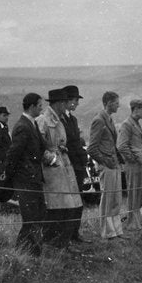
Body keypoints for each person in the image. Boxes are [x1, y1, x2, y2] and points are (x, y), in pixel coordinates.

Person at [36, 88, 83, 248]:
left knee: (69, 205)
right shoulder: (43, 120)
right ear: (58, 103)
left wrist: (62, 150)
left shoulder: (60, 119)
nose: (66, 105)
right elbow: (37, 146)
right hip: (52, 171)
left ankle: (63, 242)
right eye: (64, 102)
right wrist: (52, 158)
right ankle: (53, 243)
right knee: (56, 206)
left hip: (64, 165)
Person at [3, 93, 47, 254]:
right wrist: (11, 178)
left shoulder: (31, 124)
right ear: (32, 106)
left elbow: (41, 147)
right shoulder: (23, 126)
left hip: (33, 178)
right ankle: (27, 250)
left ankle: (28, 249)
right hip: (26, 179)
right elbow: (13, 155)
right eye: (40, 105)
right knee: (31, 216)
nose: (42, 108)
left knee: (38, 213)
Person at [89, 91, 124, 240]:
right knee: (108, 198)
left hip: (114, 163)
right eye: (116, 102)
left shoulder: (108, 119)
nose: (118, 105)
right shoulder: (99, 120)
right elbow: (92, 148)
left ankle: (116, 231)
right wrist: (104, 161)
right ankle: (107, 232)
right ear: (108, 103)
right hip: (107, 165)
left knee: (116, 199)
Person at [60, 85, 89, 243]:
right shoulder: (61, 119)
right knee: (70, 202)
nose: (77, 103)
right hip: (69, 165)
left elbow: (76, 142)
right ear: (68, 101)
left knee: (78, 201)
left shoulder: (72, 119)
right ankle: (68, 235)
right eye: (76, 100)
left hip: (77, 165)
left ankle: (74, 233)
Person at [117, 99, 142, 229]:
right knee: (134, 194)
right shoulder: (127, 124)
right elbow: (121, 146)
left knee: (138, 194)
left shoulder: (135, 123)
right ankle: (132, 224)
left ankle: (136, 223)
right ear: (136, 109)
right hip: (133, 165)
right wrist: (132, 159)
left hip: (138, 164)